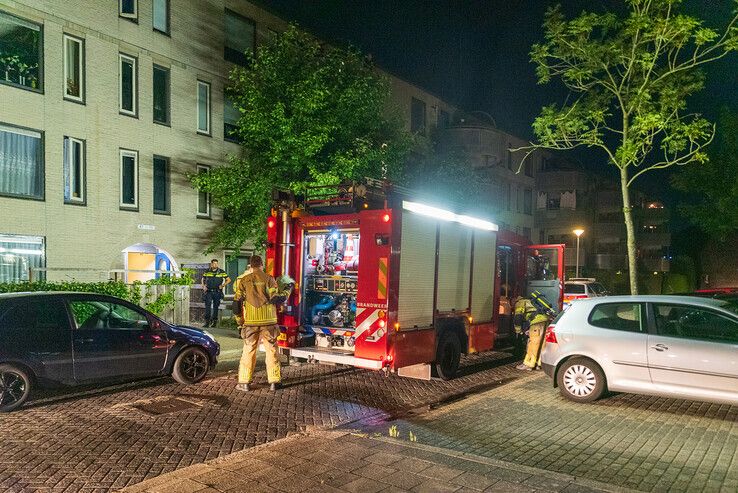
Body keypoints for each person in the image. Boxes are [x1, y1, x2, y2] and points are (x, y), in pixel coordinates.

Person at [235, 255, 283, 392]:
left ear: (250, 265)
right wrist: (286, 291)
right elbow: (275, 298)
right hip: (269, 322)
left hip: (250, 323)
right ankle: (274, 382)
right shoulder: (269, 279)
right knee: (271, 351)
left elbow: (236, 304)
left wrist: (239, 322)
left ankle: (244, 382)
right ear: (262, 265)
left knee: (248, 351)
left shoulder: (243, 280)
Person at [202, 259, 230, 328]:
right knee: (207, 306)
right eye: (214, 264)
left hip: (217, 292)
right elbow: (203, 278)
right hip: (208, 291)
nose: (215, 265)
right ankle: (207, 322)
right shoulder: (207, 271)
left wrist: (223, 285)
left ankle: (214, 322)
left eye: (216, 264)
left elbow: (228, 280)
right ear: (211, 264)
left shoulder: (221, 272)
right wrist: (203, 285)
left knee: (215, 307)